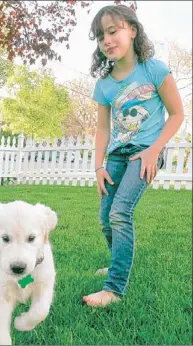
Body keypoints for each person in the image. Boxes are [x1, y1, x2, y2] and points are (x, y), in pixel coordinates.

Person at [82, 4, 184, 307]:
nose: (107, 41)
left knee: (120, 213)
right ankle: (120, 262)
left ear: (133, 30)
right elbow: (102, 130)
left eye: (113, 31)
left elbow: (177, 115)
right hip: (116, 156)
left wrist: (155, 150)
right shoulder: (104, 85)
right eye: (101, 36)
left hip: (145, 153)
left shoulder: (154, 69)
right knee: (104, 220)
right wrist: (98, 166)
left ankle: (113, 288)